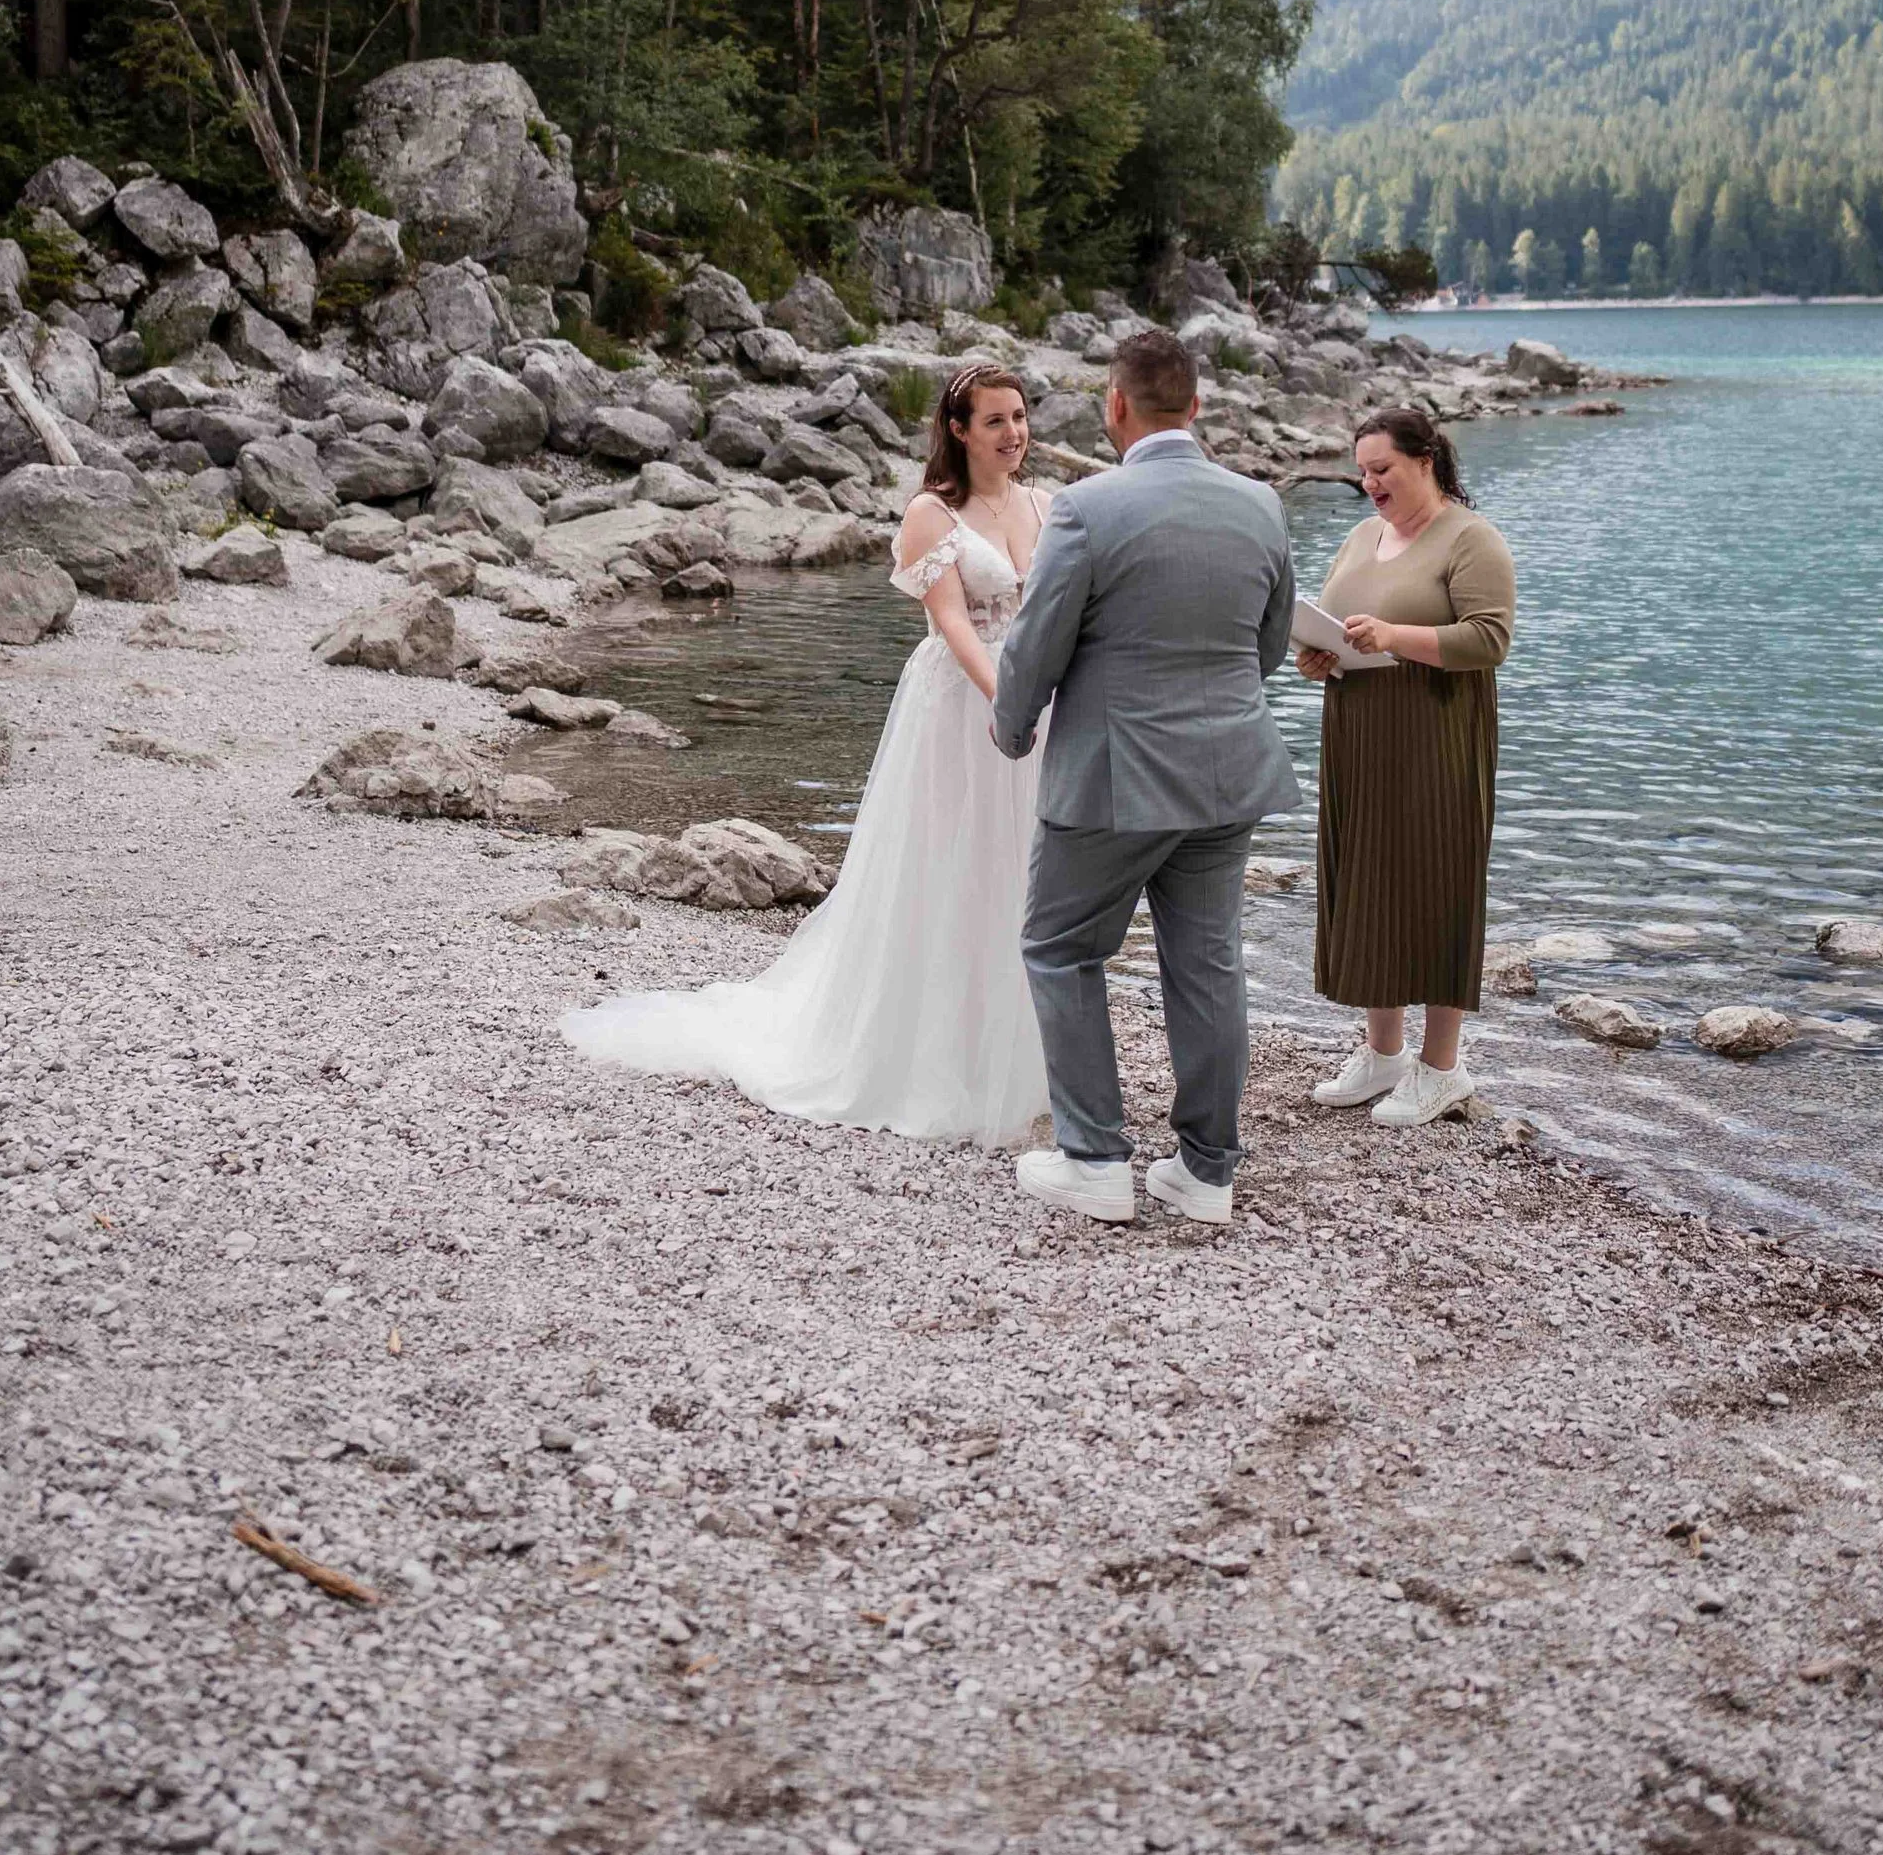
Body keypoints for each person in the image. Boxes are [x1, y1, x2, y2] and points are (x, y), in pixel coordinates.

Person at [558, 364, 1050, 1147]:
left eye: (1020, 417)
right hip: (963, 703)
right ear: (959, 431)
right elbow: (955, 625)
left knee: (1014, 870)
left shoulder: (1042, 506)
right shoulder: (931, 514)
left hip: (1031, 702)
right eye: (995, 421)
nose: (1014, 434)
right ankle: (922, 1052)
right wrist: (1008, 699)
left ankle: (1012, 1048)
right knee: (943, 867)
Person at [989, 324, 1299, 1229]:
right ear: (1196, 405)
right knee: (1206, 967)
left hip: (1114, 779)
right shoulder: (1261, 504)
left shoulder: (1087, 508)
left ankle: (1093, 1158)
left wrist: (1011, 731)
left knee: (1060, 947)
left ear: (1114, 405)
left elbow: (1036, 644)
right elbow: (1269, 646)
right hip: (1228, 772)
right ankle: (1206, 1175)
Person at [1300, 403, 1516, 1127]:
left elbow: (1489, 640)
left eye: (1382, 469)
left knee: (1436, 883)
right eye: (1361, 471)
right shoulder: (1363, 535)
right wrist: (1318, 656)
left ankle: (1442, 1068)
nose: (1370, 484)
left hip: (1437, 734)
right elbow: (1335, 618)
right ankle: (1383, 1055)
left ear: (1426, 461)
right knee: (1369, 878)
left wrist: (1395, 633)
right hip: (1360, 731)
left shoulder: (1471, 538)